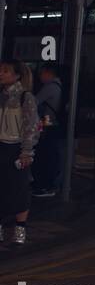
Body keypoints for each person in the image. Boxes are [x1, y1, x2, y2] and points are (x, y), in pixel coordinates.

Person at [0, 60, 40, 245]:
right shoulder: (1, 96)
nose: (1, 74)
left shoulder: (25, 97)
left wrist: (26, 151)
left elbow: (31, 126)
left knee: (20, 188)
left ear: (17, 75)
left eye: (6, 71)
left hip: (17, 148)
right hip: (1, 146)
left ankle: (20, 228)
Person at [30, 64, 65, 199]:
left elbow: (34, 102)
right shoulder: (60, 86)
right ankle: (48, 184)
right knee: (51, 156)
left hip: (48, 125)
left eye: (41, 74)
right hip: (53, 125)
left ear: (48, 73)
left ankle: (44, 185)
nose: (40, 77)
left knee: (44, 155)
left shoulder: (50, 87)